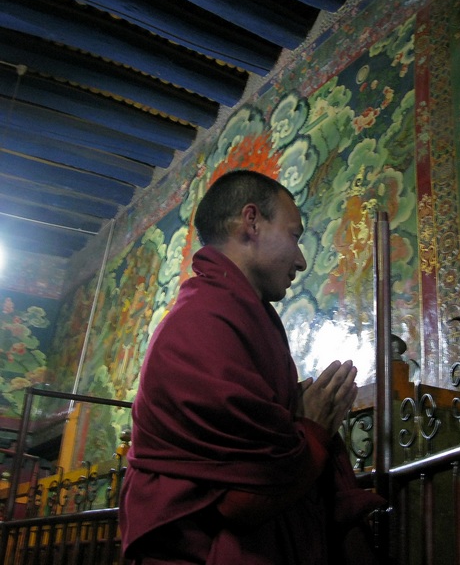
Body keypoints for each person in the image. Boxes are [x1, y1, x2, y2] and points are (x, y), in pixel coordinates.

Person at [119, 170, 385, 564]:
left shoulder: (247, 317)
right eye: (294, 235)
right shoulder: (198, 324)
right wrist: (312, 430)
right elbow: (244, 498)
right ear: (251, 222)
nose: (300, 258)